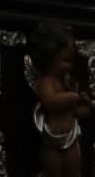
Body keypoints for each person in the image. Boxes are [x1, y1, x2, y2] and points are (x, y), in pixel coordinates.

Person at [30, 22, 90, 176]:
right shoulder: (46, 82)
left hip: (71, 137)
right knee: (54, 171)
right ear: (49, 57)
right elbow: (49, 102)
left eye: (72, 61)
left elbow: (74, 113)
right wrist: (72, 96)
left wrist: (87, 108)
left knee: (74, 171)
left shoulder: (67, 83)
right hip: (52, 141)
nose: (70, 66)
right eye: (66, 61)